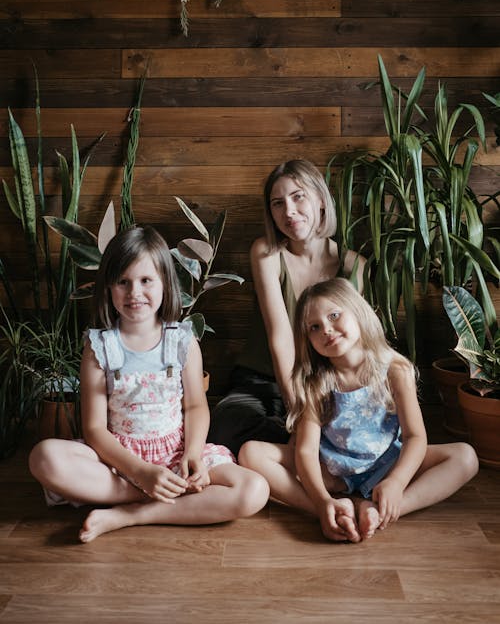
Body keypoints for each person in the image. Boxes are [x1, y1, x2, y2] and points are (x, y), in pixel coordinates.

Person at [29, 225, 269, 543]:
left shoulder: (182, 341)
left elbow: (196, 406)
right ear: (108, 288)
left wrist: (193, 454)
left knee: (255, 490)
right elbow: (95, 430)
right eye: (123, 282)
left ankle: (132, 514)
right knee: (43, 457)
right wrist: (141, 473)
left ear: (165, 284)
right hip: (119, 460)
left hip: (176, 454)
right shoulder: (99, 347)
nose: (134, 293)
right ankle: (158, 495)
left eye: (145, 281)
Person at [239, 278, 479, 543]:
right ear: (308, 339)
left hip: (386, 464)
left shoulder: (395, 370)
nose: (327, 330)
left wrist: (397, 482)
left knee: (466, 457)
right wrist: (321, 498)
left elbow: (415, 437)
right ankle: (325, 510)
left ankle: (383, 510)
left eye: (334, 315)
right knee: (251, 452)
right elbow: (306, 450)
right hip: (332, 470)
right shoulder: (315, 382)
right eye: (314, 327)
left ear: (358, 312)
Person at [208, 159, 364, 456]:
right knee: (224, 426)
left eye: (298, 196)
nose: (289, 212)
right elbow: (280, 336)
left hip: (325, 379)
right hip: (262, 379)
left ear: (320, 200)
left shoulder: (354, 266)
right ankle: (306, 451)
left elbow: (352, 343)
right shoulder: (266, 254)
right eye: (277, 203)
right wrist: (298, 410)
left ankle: (292, 453)